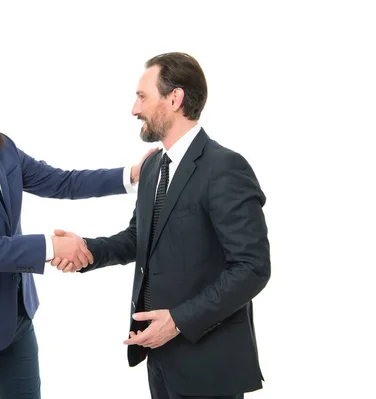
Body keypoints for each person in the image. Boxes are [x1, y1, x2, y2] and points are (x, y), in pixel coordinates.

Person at [0, 52, 155, 399]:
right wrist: (49, 247)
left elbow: (60, 182)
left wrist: (130, 176)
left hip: (16, 318)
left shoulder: (0, 147)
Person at [51, 52, 271, 399]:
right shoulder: (154, 167)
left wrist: (179, 321)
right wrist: (86, 250)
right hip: (160, 358)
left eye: (142, 97)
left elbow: (252, 268)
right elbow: (140, 238)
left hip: (209, 364)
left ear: (174, 98)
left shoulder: (225, 167)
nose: (134, 109)